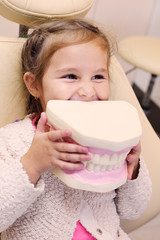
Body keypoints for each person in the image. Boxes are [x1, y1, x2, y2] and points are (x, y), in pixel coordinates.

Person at [0, 19, 151, 240]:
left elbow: (134, 210)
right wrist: (32, 164)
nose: (88, 91)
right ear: (34, 85)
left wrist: (133, 169)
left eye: (98, 77)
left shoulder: (113, 134)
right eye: (71, 76)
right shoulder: (12, 141)